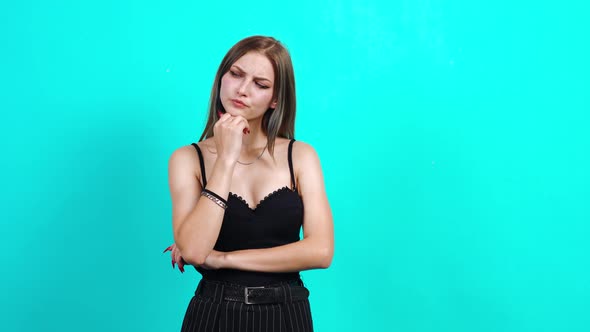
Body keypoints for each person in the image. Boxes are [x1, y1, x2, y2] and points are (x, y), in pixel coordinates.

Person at [164, 35, 334, 332]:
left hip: (287, 314)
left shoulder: (301, 156)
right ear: (221, 78)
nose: (242, 90)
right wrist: (227, 158)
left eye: (261, 84)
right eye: (236, 74)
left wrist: (223, 258)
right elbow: (192, 250)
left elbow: (320, 251)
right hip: (214, 313)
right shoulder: (187, 159)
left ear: (276, 99)